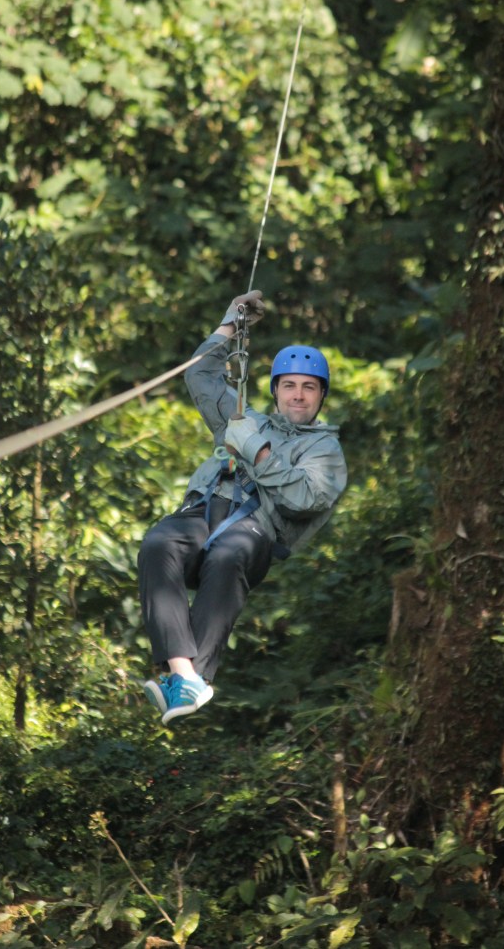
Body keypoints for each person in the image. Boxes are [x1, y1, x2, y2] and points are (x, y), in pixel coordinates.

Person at [138, 290, 347, 724]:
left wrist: (256, 449)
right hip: (202, 511)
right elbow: (201, 377)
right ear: (275, 390)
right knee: (158, 543)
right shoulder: (243, 417)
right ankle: (182, 674)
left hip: (253, 528)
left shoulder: (325, 450)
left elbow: (306, 497)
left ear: (321, 397)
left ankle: (196, 674)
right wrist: (231, 323)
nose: (298, 395)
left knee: (229, 554)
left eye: (309, 388)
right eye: (289, 385)